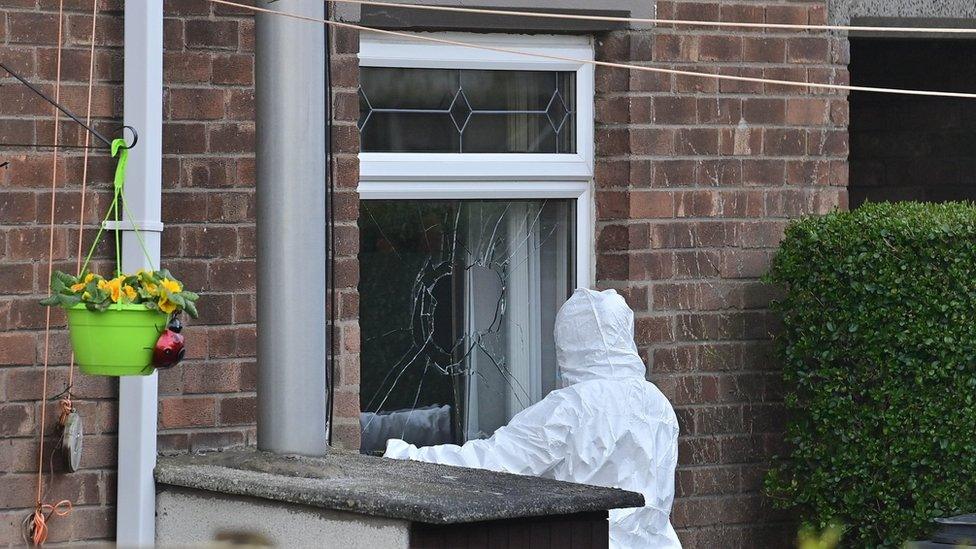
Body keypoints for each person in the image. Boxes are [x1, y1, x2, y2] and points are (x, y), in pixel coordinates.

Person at [385, 288, 682, 548]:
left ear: (570, 342)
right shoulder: (658, 405)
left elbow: (492, 463)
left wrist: (405, 458)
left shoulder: (574, 408)